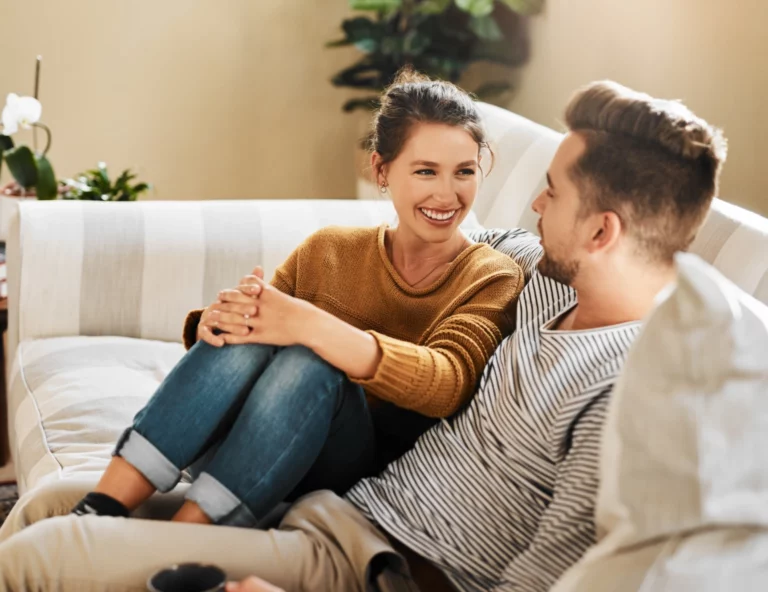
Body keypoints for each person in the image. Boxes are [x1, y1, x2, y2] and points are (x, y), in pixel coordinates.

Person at [0, 79, 727, 592]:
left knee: (44, 557)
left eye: (554, 191)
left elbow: (538, 581)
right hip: (341, 507)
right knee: (47, 505)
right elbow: (433, 237)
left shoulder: (628, 391)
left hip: (383, 564)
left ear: (602, 231)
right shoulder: (536, 268)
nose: (532, 200)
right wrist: (223, 318)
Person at [65, 68, 524, 529]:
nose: (447, 194)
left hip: (340, 469)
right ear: (381, 170)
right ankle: (100, 508)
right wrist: (218, 321)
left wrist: (309, 326)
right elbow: (258, 337)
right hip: (235, 449)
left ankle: (186, 534)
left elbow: (447, 383)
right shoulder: (329, 249)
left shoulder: (490, 276)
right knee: (261, 318)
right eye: (426, 171)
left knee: (313, 362)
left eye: (464, 172)